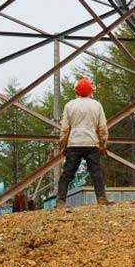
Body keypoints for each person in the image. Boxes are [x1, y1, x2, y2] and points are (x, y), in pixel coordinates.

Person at [56, 77, 111, 208]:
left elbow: (65, 129)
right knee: (96, 173)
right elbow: (102, 127)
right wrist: (103, 144)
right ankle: (101, 199)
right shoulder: (96, 105)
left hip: (74, 144)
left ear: (76, 91)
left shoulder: (70, 105)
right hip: (91, 143)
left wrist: (63, 145)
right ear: (91, 91)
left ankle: (60, 202)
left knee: (67, 174)